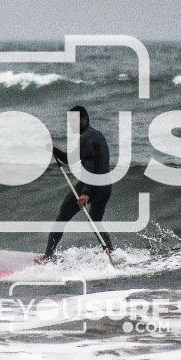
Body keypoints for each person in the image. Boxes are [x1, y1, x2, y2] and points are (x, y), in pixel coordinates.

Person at [34, 106, 114, 264]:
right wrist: (54, 150)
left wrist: (85, 192)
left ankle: (47, 257)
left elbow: (89, 165)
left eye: (74, 121)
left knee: (63, 216)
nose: (71, 124)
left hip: (92, 185)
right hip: (105, 186)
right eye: (69, 121)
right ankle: (111, 254)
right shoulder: (94, 135)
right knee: (95, 221)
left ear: (84, 120)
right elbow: (70, 159)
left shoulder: (86, 138)